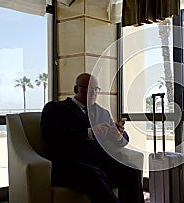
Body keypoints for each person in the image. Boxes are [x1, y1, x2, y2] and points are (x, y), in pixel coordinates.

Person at [40, 73, 144, 203]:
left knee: (131, 170)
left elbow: (123, 141)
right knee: (95, 175)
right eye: (88, 88)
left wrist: (118, 135)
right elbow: (51, 135)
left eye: (96, 89)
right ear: (75, 89)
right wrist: (89, 132)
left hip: (98, 162)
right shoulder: (56, 108)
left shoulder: (102, 112)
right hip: (69, 164)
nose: (93, 92)